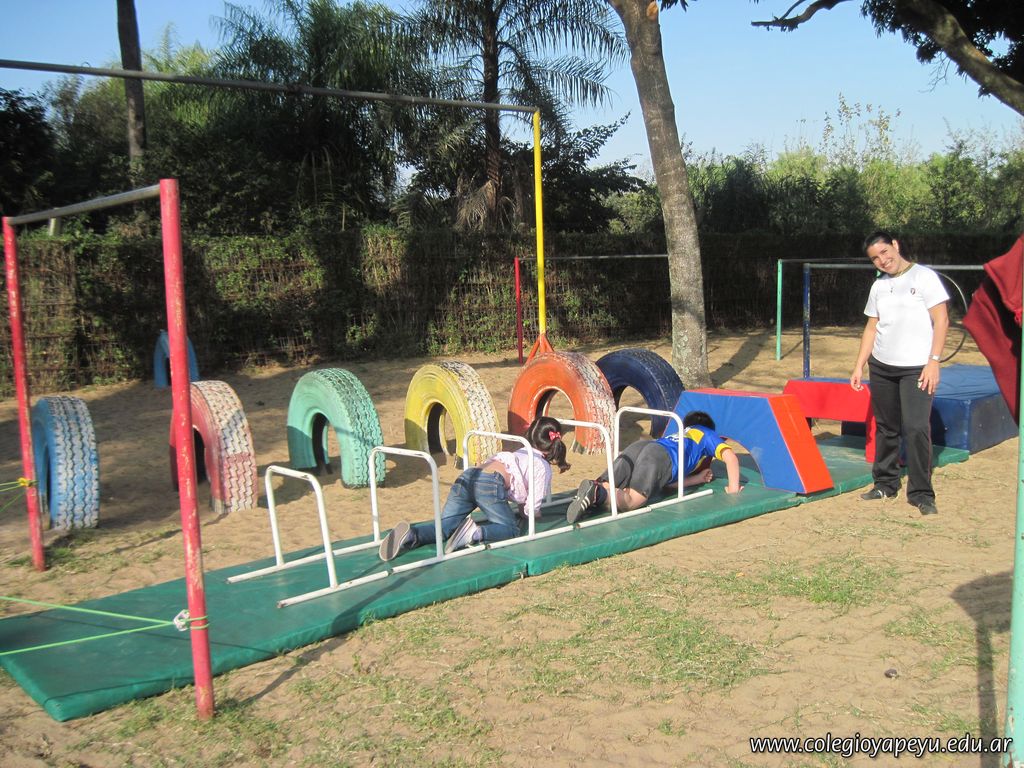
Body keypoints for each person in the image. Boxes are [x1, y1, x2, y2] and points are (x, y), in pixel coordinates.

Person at [850, 230, 949, 516]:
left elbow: (942, 319)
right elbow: (872, 327)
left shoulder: (924, 277)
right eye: (875, 258)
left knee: (916, 428)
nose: (882, 260)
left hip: (917, 368)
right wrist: (859, 365)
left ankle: (921, 493)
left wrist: (933, 361)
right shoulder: (879, 286)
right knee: (886, 427)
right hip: (882, 367)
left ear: (895, 245)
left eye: (884, 252)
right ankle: (885, 484)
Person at [378, 416, 569, 560]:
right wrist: (534, 515)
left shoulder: (520, 452)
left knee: (445, 527)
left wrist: (522, 509)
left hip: (468, 476)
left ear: (530, 435)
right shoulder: (541, 466)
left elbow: (521, 495)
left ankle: (411, 535)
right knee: (511, 529)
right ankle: (474, 533)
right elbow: (531, 508)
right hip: (489, 484)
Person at [565, 410, 742, 524]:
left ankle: (595, 488)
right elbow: (731, 457)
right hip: (658, 456)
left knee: (610, 482)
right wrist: (733, 488)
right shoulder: (707, 434)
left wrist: (697, 478)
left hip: (642, 446)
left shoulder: (679, 433)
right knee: (632, 501)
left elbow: (666, 483)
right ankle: (597, 494)